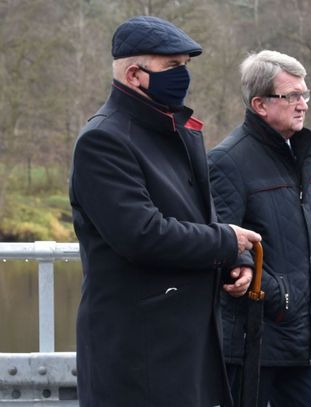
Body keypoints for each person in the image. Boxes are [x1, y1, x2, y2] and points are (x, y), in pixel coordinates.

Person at [69, 16, 261, 407]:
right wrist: (226, 242)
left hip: (188, 348)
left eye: (185, 66)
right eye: (172, 66)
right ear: (134, 75)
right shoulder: (103, 140)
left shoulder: (179, 131)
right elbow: (142, 235)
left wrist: (233, 260)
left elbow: (198, 218)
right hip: (138, 354)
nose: (182, 76)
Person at [208, 50, 311, 406]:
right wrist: (282, 299)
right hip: (253, 343)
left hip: (302, 340)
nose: (303, 104)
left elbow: (309, 248)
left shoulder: (301, 157)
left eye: (305, 94)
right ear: (260, 104)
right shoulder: (227, 162)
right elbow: (222, 242)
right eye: (292, 96)